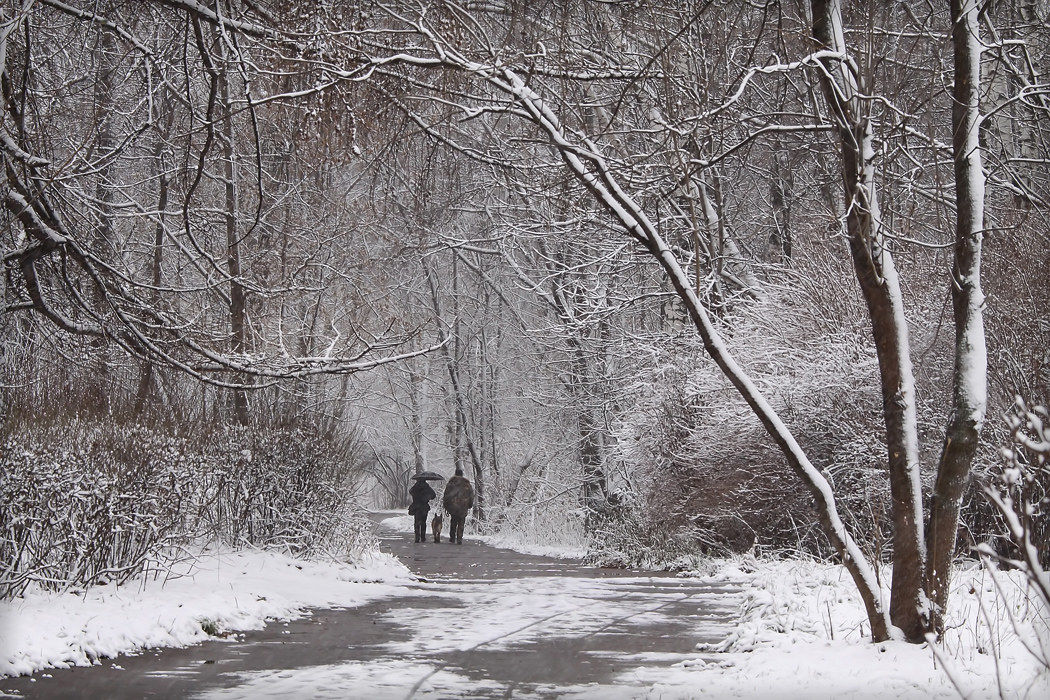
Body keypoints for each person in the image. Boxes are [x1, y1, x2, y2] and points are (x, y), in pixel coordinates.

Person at [441, 467, 474, 545]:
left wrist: (446, 505)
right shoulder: (467, 484)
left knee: (453, 521)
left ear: (455, 474)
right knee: (461, 522)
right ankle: (459, 538)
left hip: (453, 506)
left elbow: (446, 495)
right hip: (463, 506)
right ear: (462, 474)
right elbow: (471, 496)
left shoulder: (451, 483)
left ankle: (452, 538)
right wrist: (470, 505)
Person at [408, 477, 436, 544]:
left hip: (416, 506)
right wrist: (427, 497)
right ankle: (423, 537)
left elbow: (410, 492)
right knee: (423, 522)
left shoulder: (415, 487)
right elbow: (433, 495)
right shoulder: (427, 487)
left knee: (417, 522)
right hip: (424, 507)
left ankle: (417, 537)